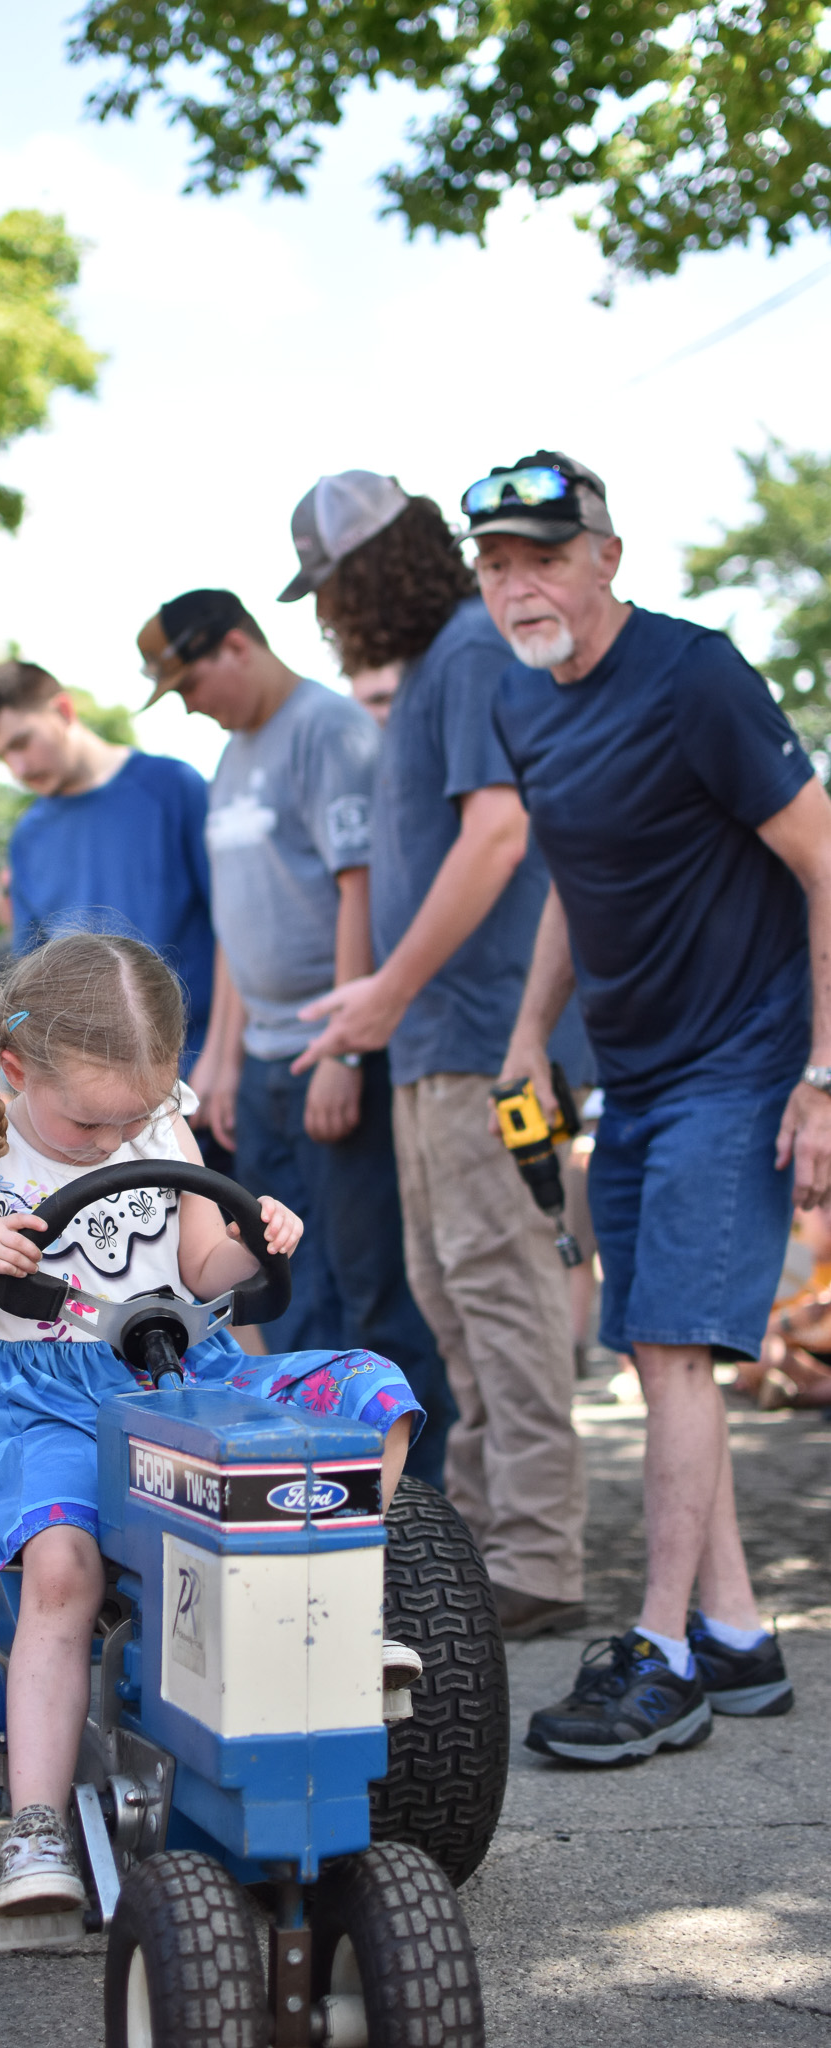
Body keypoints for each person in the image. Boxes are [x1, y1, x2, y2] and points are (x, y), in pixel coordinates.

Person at [0, 932, 424, 1917]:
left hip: (181, 1372)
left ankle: (342, 1625)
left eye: (132, 1115)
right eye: (87, 1119)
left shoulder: (163, 1127)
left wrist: (254, 1238)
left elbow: (201, 1269)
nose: (110, 1140)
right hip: (43, 1398)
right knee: (62, 1566)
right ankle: (36, 1828)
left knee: (372, 1397)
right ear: (16, 1066)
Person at [472, 447, 818, 1758]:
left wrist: (824, 1079)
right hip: (631, 1068)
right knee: (655, 1349)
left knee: (673, 1347)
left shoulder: (695, 675)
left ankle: (660, 1654)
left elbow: (824, 855)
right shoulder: (529, 706)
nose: (520, 585)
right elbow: (574, 875)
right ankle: (733, 1634)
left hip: (744, 1060)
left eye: (544, 556)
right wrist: (525, 1037)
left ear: (606, 557)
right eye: (498, 565)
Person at [284, 472, 591, 1637]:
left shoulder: (467, 652)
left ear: (372, 570)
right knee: (450, 1298)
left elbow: (502, 831)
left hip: (486, 1041)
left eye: (329, 588)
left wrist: (386, 991)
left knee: (502, 1295)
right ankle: (478, 1541)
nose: (326, 614)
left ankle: (539, 1560)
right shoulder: (431, 668)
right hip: (430, 1044)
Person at [135, 588, 449, 1479]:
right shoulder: (231, 758)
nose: (188, 704)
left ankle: (412, 1506)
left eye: (188, 681)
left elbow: (361, 887)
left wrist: (345, 1049)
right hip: (263, 1060)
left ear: (235, 646)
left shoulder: (328, 729)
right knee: (280, 1283)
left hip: (333, 1051)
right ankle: (309, 1491)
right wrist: (223, 1058)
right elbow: (234, 924)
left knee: (368, 1286)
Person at [0, 660, 215, 1064]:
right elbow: (33, 978)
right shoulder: (28, 837)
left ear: (63, 711)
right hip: (88, 1087)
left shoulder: (173, 787)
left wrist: (224, 1054)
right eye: (1, 757)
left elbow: (234, 929)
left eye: (21, 743)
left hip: (194, 1066)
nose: (18, 769)